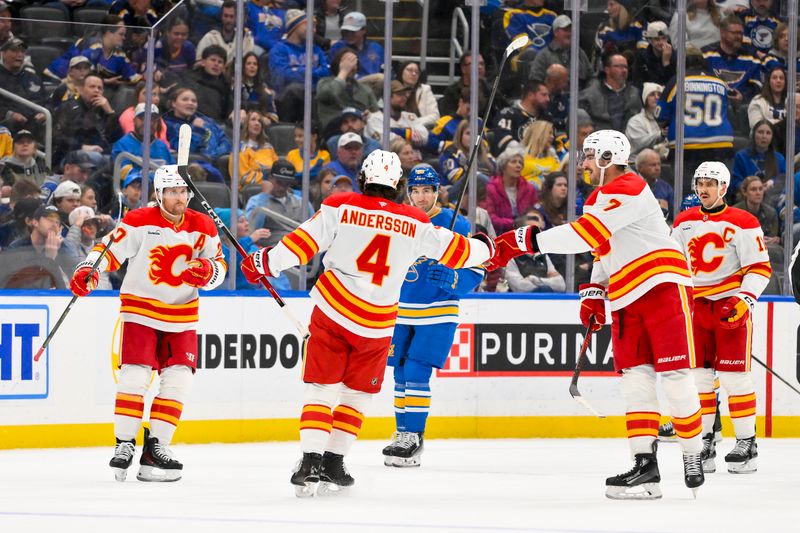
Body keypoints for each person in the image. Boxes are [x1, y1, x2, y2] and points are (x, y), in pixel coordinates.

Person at [238, 150, 495, 496]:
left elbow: (300, 246)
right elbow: (461, 253)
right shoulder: (416, 222)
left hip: (333, 311)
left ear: (362, 178)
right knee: (357, 393)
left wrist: (263, 262)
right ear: (399, 185)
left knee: (321, 387)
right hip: (377, 323)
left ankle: (311, 459)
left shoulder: (341, 205)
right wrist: (487, 248)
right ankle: (335, 462)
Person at [486, 129, 704, 499]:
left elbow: (588, 235)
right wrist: (594, 291)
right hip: (625, 295)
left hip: (662, 287)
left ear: (607, 158)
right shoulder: (599, 198)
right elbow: (605, 248)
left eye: (588, 157)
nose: (583, 164)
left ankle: (693, 452)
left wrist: (526, 240)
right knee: (635, 380)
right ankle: (645, 467)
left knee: (675, 374)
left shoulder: (630, 186)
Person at [68, 164, 227, 482]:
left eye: (183, 191)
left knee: (179, 380)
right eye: (171, 192)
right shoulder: (139, 221)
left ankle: (157, 448)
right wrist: (90, 268)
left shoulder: (204, 226)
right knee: (134, 377)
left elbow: (219, 265)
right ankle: (124, 443)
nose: (179, 198)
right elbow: (107, 250)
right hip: (141, 310)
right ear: (159, 194)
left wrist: (209, 273)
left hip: (182, 316)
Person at [382, 165, 485, 467]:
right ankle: (402, 433)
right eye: (416, 190)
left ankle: (414, 435)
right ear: (409, 192)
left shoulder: (459, 225)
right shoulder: (400, 221)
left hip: (438, 312)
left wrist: (454, 278)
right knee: (399, 371)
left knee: (416, 370)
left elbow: (477, 268)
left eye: (428, 190)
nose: (421, 196)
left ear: (437, 191)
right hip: (400, 309)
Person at [672, 162, 770, 474]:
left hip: (730, 308)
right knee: (700, 379)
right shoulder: (684, 221)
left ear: (724, 187)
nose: (703, 188)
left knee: (733, 377)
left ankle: (747, 442)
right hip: (696, 309)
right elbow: (674, 265)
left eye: (710, 183)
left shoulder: (744, 221)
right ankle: (706, 440)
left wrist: (744, 299)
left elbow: (759, 267)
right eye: (699, 182)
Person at [504, 209, 565, 293]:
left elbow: (560, 284)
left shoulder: (542, 255)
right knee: (544, 290)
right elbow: (519, 286)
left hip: (545, 300)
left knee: (546, 291)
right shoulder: (510, 256)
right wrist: (546, 282)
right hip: (519, 302)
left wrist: (534, 279)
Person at [481, 148, 539, 234]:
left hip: (525, 234)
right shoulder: (491, 188)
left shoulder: (530, 188)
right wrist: (514, 224)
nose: (518, 165)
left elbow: (535, 213)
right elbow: (489, 217)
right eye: (513, 162)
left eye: (520, 162)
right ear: (503, 166)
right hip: (498, 234)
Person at [731, 120, 785, 202]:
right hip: (747, 199)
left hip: (771, 199)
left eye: (768, 133)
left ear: (772, 137)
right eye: (760, 132)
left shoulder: (779, 158)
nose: (764, 136)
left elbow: (784, 179)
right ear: (753, 135)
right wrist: (748, 186)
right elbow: (735, 182)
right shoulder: (741, 156)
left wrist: (772, 182)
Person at [196, 0, 255, 66]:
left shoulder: (246, 40)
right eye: (226, 16)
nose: (228, 20)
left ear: (237, 18)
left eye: (231, 16)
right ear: (221, 16)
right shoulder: (209, 38)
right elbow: (198, 63)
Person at [328, 11, 384, 80]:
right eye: (346, 31)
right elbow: (331, 74)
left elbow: (387, 70)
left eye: (352, 32)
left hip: (378, 84)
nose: (349, 35)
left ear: (364, 30)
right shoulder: (338, 47)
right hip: (351, 84)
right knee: (380, 77)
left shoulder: (376, 48)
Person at [234, 109, 279, 191]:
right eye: (253, 120)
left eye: (259, 121)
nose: (257, 123)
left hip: (273, 188)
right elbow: (244, 178)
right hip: (250, 191)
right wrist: (267, 177)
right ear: (246, 124)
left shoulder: (269, 147)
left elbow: (278, 168)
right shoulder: (239, 149)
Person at [626, 83, 668, 160]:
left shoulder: (668, 119)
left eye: (659, 95)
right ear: (645, 99)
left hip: (662, 165)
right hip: (637, 167)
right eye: (652, 94)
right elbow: (641, 143)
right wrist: (661, 134)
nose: (656, 97)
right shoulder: (635, 121)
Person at [396, 61, 440, 128]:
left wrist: (413, 123)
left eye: (417, 72)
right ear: (401, 71)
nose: (414, 74)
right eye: (410, 70)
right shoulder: (392, 89)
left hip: (420, 130)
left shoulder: (425, 90)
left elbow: (435, 116)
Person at [634, 21, 676, 87]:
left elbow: (674, 83)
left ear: (667, 38)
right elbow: (637, 82)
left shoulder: (675, 56)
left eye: (664, 38)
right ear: (649, 40)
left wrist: (666, 62)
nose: (661, 42)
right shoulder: (642, 56)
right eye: (657, 39)